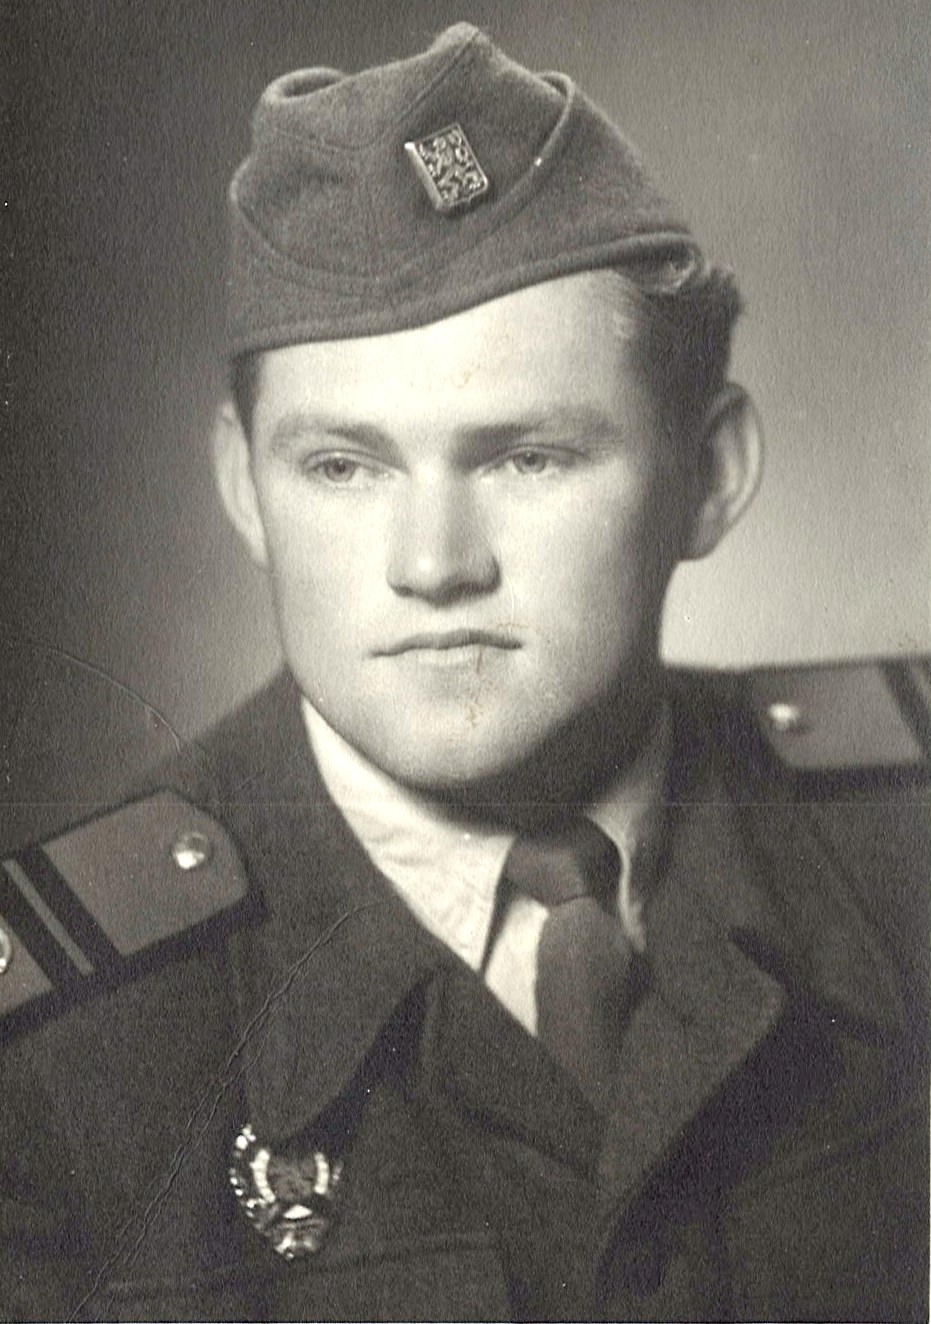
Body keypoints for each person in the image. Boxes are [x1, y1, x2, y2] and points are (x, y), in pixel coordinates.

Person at [1, 23, 927, 1322]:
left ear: (709, 477)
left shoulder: (905, 846)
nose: (433, 566)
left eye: (526, 457)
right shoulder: (53, 1064)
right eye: (342, 466)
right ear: (244, 486)